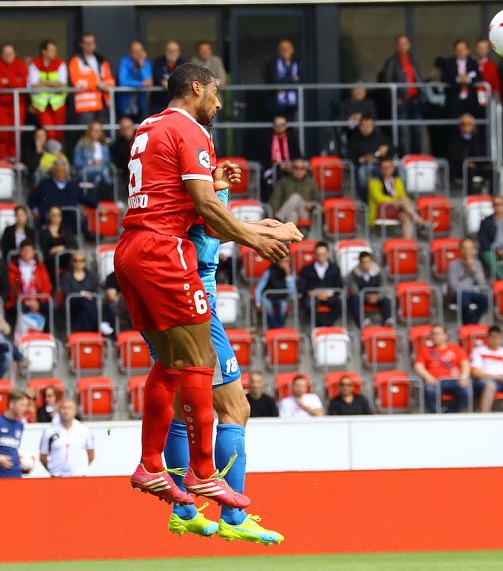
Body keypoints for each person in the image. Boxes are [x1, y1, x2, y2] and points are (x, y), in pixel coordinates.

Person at [115, 63, 300, 506]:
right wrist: (257, 239)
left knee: (173, 366)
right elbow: (204, 208)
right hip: (165, 253)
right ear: (196, 88)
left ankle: (150, 464)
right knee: (200, 362)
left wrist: (259, 224)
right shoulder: (192, 130)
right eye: (216, 94)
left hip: (131, 250)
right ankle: (201, 475)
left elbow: (190, 204)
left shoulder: (148, 127)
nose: (218, 104)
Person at [159, 153, 285, 544]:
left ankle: (183, 509)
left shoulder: (184, 197)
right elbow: (210, 227)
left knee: (183, 410)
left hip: (165, 299)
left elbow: (211, 223)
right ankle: (233, 513)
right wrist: (265, 232)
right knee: (235, 408)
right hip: (195, 303)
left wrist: (222, 185)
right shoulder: (194, 200)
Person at [381, 34, 424, 154]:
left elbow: (418, 78)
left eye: (405, 43)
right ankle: (403, 158)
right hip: (402, 101)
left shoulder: (412, 60)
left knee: (417, 131)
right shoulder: (392, 62)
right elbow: (387, 81)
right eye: (400, 44)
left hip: (415, 100)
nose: (403, 46)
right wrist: (395, 98)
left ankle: (417, 157)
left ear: (409, 45)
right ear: (396, 46)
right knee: (403, 133)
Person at [414, 323, 471, 413]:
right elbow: (418, 366)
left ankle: (450, 413)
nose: (435, 336)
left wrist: (464, 376)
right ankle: (437, 414)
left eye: (438, 334)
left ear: (445, 335)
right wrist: (427, 376)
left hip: (455, 380)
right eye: (433, 334)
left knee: (467, 391)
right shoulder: (425, 350)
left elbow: (465, 364)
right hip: (435, 381)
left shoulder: (456, 348)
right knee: (429, 390)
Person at [28, 159, 98, 228]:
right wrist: (35, 210)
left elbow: (84, 199)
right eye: (57, 170)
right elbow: (31, 199)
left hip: (70, 222)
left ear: (66, 172)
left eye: (62, 170)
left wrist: (98, 206)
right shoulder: (44, 184)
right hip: (47, 221)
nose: (60, 173)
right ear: (53, 171)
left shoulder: (73, 185)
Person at [368, 157, 425, 240]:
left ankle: (406, 244)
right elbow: (379, 199)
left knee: (406, 217)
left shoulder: (397, 181)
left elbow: (402, 195)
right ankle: (420, 221)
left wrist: (404, 201)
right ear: (380, 170)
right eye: (385, 168)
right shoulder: (373, 182)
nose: (388, 170)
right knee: (402, 202)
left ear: (393, 168)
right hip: (381, 210)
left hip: (396, 209)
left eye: (390, 167)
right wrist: (396, 201)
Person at [0, 44, 28, 161]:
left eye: (10, 53)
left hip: (16, 105)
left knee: (16, 133)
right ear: (2, 55)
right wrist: (14, 81)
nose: (8, 56)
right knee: (1, 134)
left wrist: (7, 81)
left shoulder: (20, 65)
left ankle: (14, 159)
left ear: (15, 54)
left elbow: (23, 83)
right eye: (5, 54)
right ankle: (2, 159)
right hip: (0, 105)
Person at [40, 398, 95, 477]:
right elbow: (43, 456)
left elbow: (91, 454)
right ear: (59, 411)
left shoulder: (85, 430)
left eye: (69, 408)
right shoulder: (50, 432)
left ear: (75, 411)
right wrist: (53, 470)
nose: (66, 411)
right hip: (57, 476)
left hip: (79, 476)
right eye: (63, 408)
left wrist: (81, 469)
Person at [69, 32, 115, 125]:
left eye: (92, 43)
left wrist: (106, 85)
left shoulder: (101, 61)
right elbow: (77, 82)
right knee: (88, 134)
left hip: (103, 104)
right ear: (81, 45)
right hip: (86, 106)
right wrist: (97, 84)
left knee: (104, 134)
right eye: (87, 43)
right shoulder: (76, 61)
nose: (89, 46)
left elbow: (110, 80)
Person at [5, 240, 52, 328]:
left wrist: (38, 301)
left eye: (29, 250)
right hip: (21, 300)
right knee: (17, 308)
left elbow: (47, 286)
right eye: (24, 250)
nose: (26, 253)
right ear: (20, 252)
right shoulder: (14, 267)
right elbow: (13, 287)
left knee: (51, 306)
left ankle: (47, 334)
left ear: (34, 252)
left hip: (38, 299)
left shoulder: (40, 267)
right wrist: (26, 301)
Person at [28, 40, 68, 141]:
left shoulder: (60, 64)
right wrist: (54, 83)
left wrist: (44, 82)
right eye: (52, 50)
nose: (54, 52)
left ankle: (56, 155)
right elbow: (34, 85)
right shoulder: (34, 64)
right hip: (42, 107)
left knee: (59, 134)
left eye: (55, 50)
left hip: (58, 106)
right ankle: (50, 155)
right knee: (50, 133)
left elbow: (62, 85)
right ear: (44, 52)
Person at [298, 241, 343, 327]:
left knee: (340, 304)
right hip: (313, 296)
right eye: (319, 254)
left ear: (328, 254)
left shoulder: (334, 268)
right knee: (309, 304)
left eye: (323, 254)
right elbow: (302, 287)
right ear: (315, 254)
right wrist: (312, 293)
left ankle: (326, 325)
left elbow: (339, 285)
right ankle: (320, 325)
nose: (321, 257)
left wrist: (330, 293)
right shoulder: (306, 269)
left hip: (329, 296)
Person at [347, 114, 392, 197]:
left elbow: (393, 149)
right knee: (362, 172)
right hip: (365, 166)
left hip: (381, 164)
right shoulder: (355, 140)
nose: (367, 128)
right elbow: (351, 158)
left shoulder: (380, 137)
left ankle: (394, 194)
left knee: (399, 168)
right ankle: (365, 198)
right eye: (364, 126)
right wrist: (363, 159)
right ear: (359, 126)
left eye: (369, 126)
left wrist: (386, 149)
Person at [448, 238, 489, 325]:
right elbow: (453, 285)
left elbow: (482, 284)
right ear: (461, 250)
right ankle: (470, 325)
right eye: (465, 248)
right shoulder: (453, 264)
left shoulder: (477, 264)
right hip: (460, 293)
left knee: (486, 300)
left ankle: (471, 324)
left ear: (474, 250)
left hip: (473, 292)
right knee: (464, 301)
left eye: (470, 249)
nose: (467, 251)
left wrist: (473, 270)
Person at [346, 250, 392, 327]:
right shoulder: (353, 274)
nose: (365, 265)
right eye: (363, 262)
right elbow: (354, 290)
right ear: (360, 263)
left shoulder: (379, 272)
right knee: (354, 299)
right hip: (362, 297)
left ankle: (387, 320)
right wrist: (367, 296)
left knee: (386, 300)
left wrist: (378, 296)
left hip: (376, 297)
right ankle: (361, 322)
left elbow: (384, 286)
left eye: (368, 262)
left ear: (371, 262)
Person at [447, 113, 491, 193]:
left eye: (469, 124)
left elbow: (481, 153)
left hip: (477, 165)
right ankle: (470, 197)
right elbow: (454, 155)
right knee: (468, 171)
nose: (467, 127)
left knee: (493, 172)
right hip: (461, 167)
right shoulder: (454, 139)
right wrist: (466, 162)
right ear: (460, 126)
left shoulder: (477, 139)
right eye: (464, 124)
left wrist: (487, 161)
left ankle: (493, 197)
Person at [269, 158, 318, 225]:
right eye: (296, 168)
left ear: (305, 170)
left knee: (296, 197)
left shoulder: (311, 182)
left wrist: (312, 205)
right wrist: (275, 210)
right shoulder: (284, 181)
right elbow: (275, 198)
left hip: (304, 211)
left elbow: (318, 199)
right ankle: (290, 235)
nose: (299, 170)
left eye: (302, 168)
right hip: (288, 212)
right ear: (292, 169)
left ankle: (279, 218)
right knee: (293, 214)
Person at [60, 250, 99, 333]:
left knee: (85, 311)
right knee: (84, 302)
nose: (78, 263)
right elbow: (67, 293)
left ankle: (87, 335)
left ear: (85, 262)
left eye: (82, 260)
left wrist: (88, 296)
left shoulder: (91, 275)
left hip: (88, 305)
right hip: (72, 304)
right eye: (75, 260)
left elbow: (95, 293)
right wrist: (82, 294)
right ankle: (99, 323)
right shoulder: (67, 276)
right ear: (72, 262)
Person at [442, 39, 480, 119]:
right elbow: (445, 78)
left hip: (470, 101)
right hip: (454, 101)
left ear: (468, 50)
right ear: (454, 51)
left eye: (463, 49)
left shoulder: (473, 63)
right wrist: (458, 79)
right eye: (458, 49)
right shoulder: (449, 63)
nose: (461, 51)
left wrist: (468, 79)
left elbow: (479, 77)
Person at [263, 39, 301, 119]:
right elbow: (274, 80)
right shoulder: (272, 63)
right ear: (278, 51)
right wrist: (292, 79)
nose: (284, 51)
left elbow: (302, 80)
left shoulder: (298, 62)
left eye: (287, 49)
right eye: (282, 49)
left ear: (292, 50)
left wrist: (284, 83)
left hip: (292, 103)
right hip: (276, 103)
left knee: (292, 127)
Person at [254, 258, 296, 330]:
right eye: (282, 261)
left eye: (287, 261)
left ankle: (279, 327)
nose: (284, 263)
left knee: (283, 305)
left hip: (281, 298)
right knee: (268, 306)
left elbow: (292, 291)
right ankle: (274, 327)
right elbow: (259, 287)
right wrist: (258, 303)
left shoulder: (291, 272)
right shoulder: (270, 271)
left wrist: (288, 276)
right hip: (268, 297)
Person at [116, 40, 152, 120]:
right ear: (130, 53)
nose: (138, 54)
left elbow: (148, 82)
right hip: (125, 105)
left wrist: (142, 66)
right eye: (135, 51)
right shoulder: (125, 61)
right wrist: (140, 84)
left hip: (140, 105)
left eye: (140, 51)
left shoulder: (146, 62)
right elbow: (123, 81)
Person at [39, 205, 78, 277]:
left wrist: (62, 248)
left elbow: (74, 245)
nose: (56, 218)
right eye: (53, 215)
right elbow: (45, 250)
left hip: (67, 262)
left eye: (58, 215)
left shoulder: (66, 230)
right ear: (49, 216)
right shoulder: (44, 232)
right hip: (50, 262)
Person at [72, 120, 113, 189]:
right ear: (89, 131)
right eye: (95, 130)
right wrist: (91, 162)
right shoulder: (82, 144)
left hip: (101, 170)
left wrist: (100, 162)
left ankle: (96, 198)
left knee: (98, 178)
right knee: (103, 170)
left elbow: (107, 161)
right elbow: (76, 162)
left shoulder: (104, 145)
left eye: (99, 131)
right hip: (85, 171)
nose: (97, 133)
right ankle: (110, 186)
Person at [151, 41, 186, 115]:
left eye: (175, 51)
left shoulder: (183, 64)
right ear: (165, 52)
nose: (172, 53)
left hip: (178, 103)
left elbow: (183, 81)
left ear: (178, 52)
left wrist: (169, 83)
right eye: (170, 50)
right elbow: (159, 80)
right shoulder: (158, 62)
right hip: (159, 103)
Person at [474, 38, 501, 105]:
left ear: (488, 50)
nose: (482, 50)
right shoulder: (470, 63)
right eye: (479, 48)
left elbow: (496, 85)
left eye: (484, 48)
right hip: (472, 98)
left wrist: (498, 102)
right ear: (476, 49)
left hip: (488, 99)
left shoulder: (492, 65)